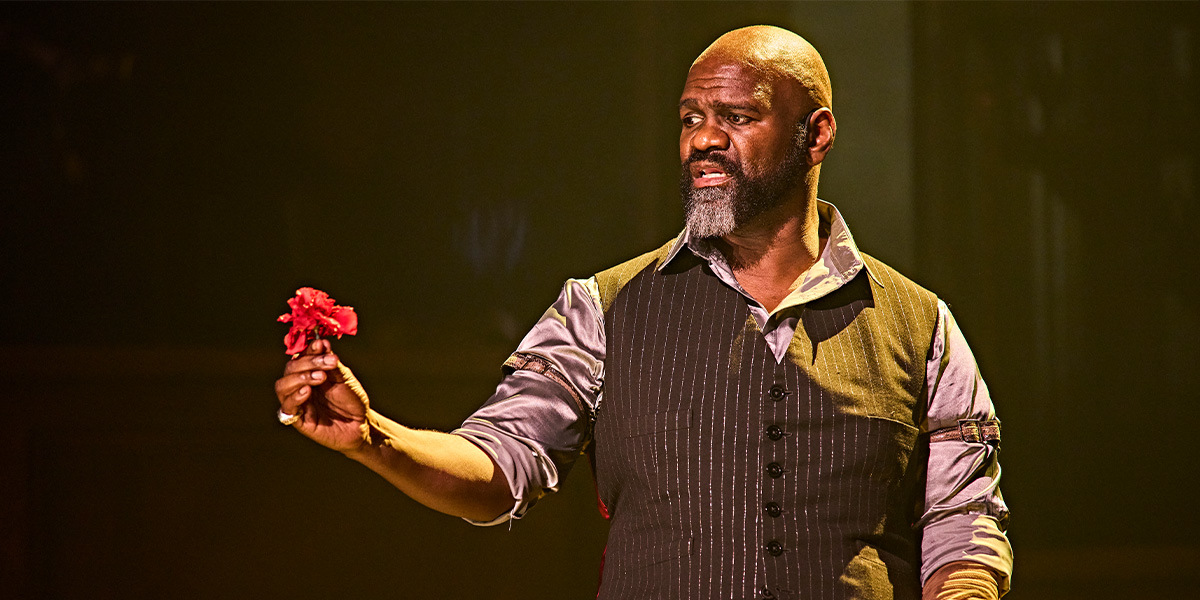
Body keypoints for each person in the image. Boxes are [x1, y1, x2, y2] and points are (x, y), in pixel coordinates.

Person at [273, 25, 1012, 600]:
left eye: (737, 116)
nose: (704, 138)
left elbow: (963, 522)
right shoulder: (603, 307)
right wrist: (373, 438)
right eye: (691, 117)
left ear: (815, 134)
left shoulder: (919, 322)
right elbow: (500, 465)